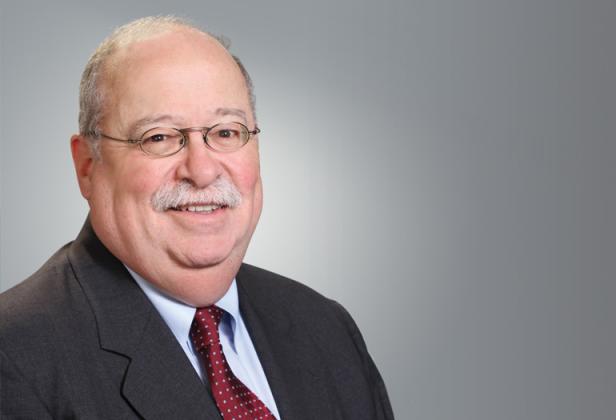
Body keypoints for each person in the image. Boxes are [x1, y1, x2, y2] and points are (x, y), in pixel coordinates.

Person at [0, 16, 393, 420]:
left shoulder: (325, 329)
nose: (202, 171)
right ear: (87, 166)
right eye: (159, 137)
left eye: (226, 132)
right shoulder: (14, 359)